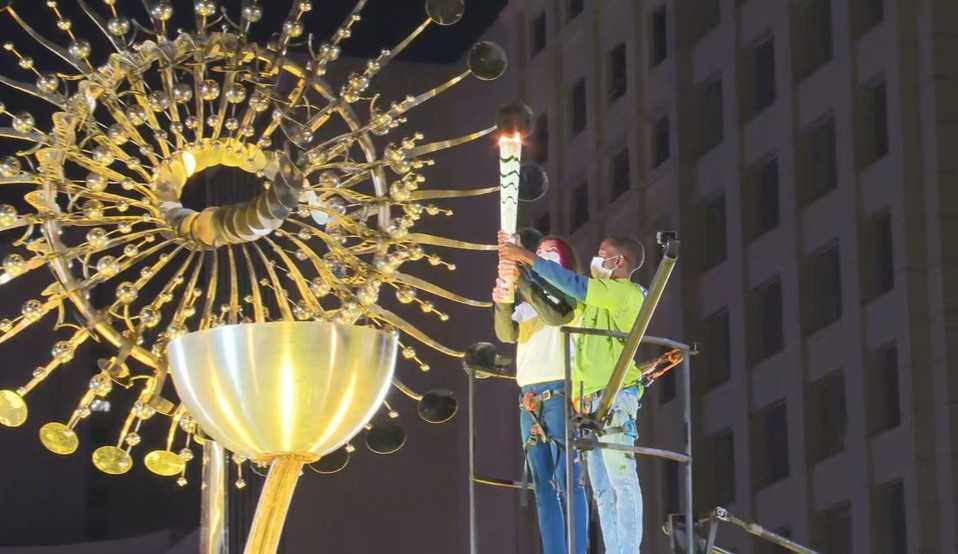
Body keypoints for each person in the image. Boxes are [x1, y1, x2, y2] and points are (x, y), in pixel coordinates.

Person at [500, 235, 647, 554]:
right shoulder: (595, 300)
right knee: (602, 489)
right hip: (589, 400)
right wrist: (516, 272)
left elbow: (573, 286)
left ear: (618, 261)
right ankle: (614, 549)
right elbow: (552, 300)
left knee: (621, 479)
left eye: (602, 254)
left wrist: (525, 258)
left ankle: (627, 552)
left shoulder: (624, 294)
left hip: (616, 395)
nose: (597, 258)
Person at [493, 234, 589, 554]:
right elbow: (506, 332)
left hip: (561, 391)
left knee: (568, 479)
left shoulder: (572, 293)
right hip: (530, 398)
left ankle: (577, 548)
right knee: (543, 485)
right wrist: (504, 298)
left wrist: (522, 279)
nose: (543, 256)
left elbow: (555, 314)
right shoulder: (528, 305)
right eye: (539, 252)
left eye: (550, 252)